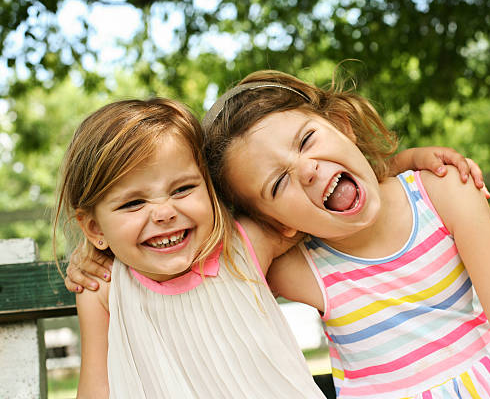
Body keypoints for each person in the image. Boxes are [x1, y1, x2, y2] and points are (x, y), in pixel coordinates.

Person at [196, 70, 490, 398]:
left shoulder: (441, 191)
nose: (306, 170)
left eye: (307, 140)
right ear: (273, 222)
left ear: (343, 125)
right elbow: (223, 267)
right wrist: (279, 230)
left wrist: (393, 164)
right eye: (277, 184)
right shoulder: (303, 268)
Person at [54, 98, 329, 398]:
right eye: (134, 203)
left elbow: (324, 214)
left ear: (209, 188)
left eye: (183, 189)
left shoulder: (244, 247)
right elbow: (98, 386)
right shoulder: (104, 288)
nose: (164, 213)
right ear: (94, 228)